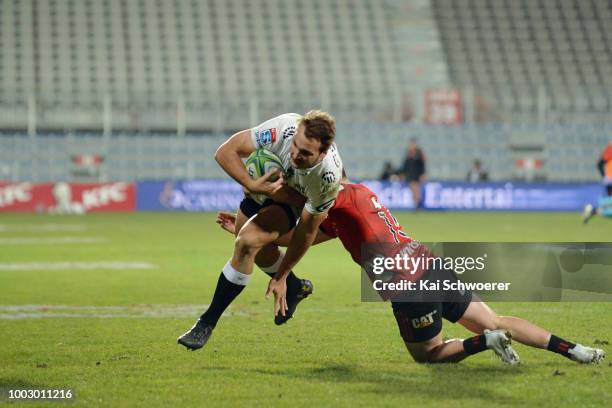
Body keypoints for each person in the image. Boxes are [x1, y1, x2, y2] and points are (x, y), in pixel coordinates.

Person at [217, 178, 606, 365]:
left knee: (428, 354)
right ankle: (575, 350)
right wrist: (249, 233)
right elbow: (300, 238)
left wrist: (251, 234)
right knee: (493, 317)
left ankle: (484, 343)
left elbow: (297, 238)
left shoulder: (325, 206)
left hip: (405, 281)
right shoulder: (361, 193)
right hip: (430, 262)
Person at [177, 110, 343, 350]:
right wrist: (252, 184)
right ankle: (296, 288)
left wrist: (282, 273)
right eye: (296, 146)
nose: (295, 154)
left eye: (305, 153)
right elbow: (226, 151)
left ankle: (206, 323)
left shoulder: (326, 179)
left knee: (245, 243)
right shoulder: (285, 128)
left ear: (323, 152)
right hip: (262, 188)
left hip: (295, 201)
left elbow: (306, 231)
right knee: (254, 247)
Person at [582, 142, 612, 224]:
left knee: (609, 204)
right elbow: (600, 163)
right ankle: (590, 211)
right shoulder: (611, 148)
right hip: (610, 180)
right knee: (609, 204)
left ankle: (590, 211)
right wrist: (605, 177)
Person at [400, 139, 426, 208]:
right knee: (414, 191)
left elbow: (422, 165)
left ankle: (417, 204)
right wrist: (403, 174)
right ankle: (417, 204)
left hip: (416, 176)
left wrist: (422, 174)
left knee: (416, 190)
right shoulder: (408, 156)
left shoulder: (419, 155)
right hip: (410, 176)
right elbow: (405, 166)